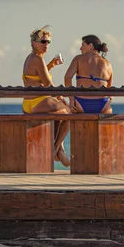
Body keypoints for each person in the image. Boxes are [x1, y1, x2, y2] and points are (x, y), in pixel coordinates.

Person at [22, 26, 71, 166]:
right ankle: (55, 151)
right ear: (34, 43)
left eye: (48, 42)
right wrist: (60, 96)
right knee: (69, 113)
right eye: (43, 41)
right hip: (38, 102)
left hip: (29, 103)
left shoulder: (31, 58)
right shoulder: (37, 59)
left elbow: (36, 77)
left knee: (59, 115)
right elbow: (48, 84)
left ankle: (59, 151)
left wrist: (50, 65)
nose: (46, 45)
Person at [64, 35, 113, 114]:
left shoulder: (78, 59)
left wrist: (71, 99)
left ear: (90, 46)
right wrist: (109, 101)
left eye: (83, 45)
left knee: (66, 115)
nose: (80, 48)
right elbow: (110, 87)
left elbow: (67, 78)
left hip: (81, 103)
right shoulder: (108, 63)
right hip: (103, 105)